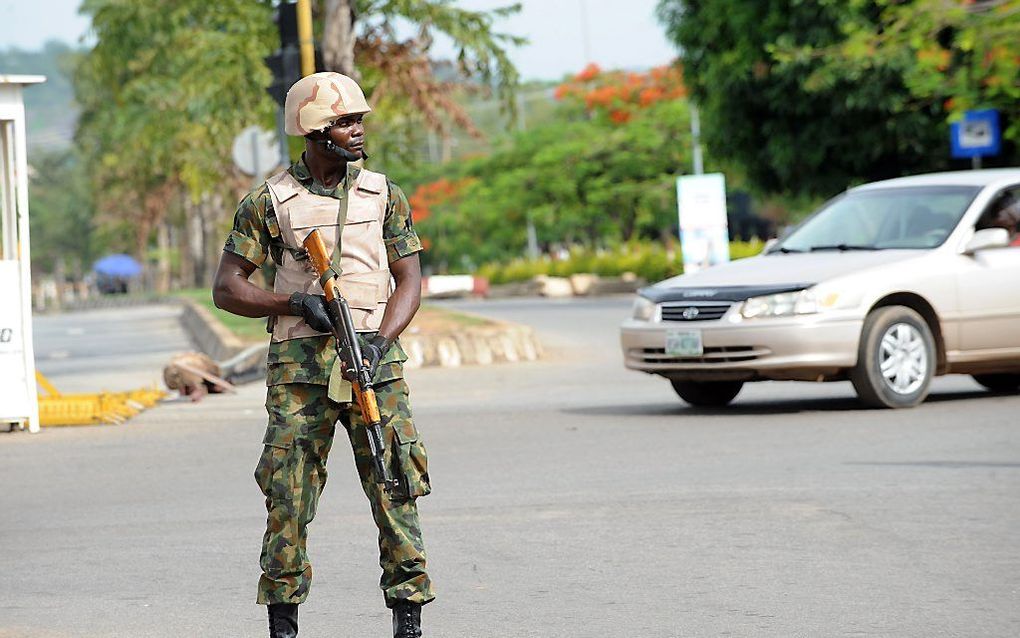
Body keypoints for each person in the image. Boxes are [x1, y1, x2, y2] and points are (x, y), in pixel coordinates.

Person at [211, 72, 434, 638]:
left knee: (394, 485)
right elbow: (228, 287)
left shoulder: (385, 194)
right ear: (313, 130)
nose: (357, 130)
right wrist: (293, 301)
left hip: (373, 365)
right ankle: (283, 623)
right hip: (301, 375)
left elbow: (409, 279)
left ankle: (408, 616)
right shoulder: (270, 201)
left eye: (359, 119)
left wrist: (381, 342)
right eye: (344, 121)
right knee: (288, 493)